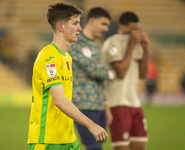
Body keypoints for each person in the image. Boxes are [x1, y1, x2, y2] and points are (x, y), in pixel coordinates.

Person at [27, 3, 108, 150]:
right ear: (61, 26)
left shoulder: (67, 58)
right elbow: (59, 100)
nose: (80, 29)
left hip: (68, 139)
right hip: (47, 140)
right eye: (75, 23)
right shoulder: (48, 57)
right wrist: (92, 125)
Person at [68, 7, 115, 150]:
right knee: (94, 147)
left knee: (97, 146)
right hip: (84, 106)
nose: (106, 29)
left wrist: (106, 107)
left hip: (99, 106)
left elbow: (99, 80)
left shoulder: (94, 45)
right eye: (103, 24)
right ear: (92, 21)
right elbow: (94, 71)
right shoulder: (77, 42)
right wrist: (112, 73)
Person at [101, 12, 149, 150]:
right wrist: (132, 46)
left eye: (138, 29)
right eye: (133, 29)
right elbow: (121, 72)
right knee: (121, 148)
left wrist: (145, 50)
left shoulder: (136, 44)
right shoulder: (112, 43)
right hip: (117, 102)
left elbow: (143, 74)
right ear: (122, 26)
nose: (136, 33)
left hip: (134, 102)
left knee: (140, 146)